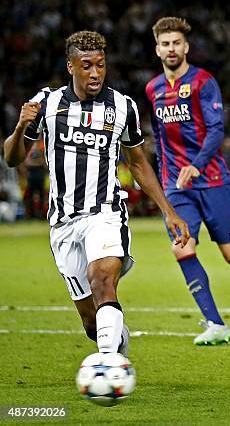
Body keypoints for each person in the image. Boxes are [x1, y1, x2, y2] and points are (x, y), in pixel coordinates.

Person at [3, 31, 190, 357]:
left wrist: (168, 210)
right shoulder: (47, 103)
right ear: (71, 66)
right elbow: (11, 158)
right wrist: (20, 128)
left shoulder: (123, 107)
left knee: (102, 278)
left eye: (100, 65)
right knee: (92, 323)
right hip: (62, 224)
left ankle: (107, 366)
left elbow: (138, 163)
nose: (95, 73)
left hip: (105, 213)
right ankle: (115, 344)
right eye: (86, 65)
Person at [145, 17, 230, 345]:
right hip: (177, 186)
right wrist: (166, 179)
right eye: (165, 43)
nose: (171, 48)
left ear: (185, 47)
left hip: (213, 180)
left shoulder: (203, 82)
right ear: (157, 49)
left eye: (176, 43)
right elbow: (159, 138)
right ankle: (215, 323)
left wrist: (196, 165)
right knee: (182, 248)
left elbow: (217, 130)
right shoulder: (152, 89)